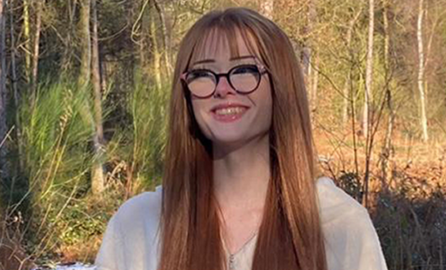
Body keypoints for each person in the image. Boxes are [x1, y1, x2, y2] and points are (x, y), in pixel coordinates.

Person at [95, 7, 388, 270]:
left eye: (245, 69)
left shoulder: (339, 225)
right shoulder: (138, 226)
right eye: (203, 73)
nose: (222, 88)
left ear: (280, 85)